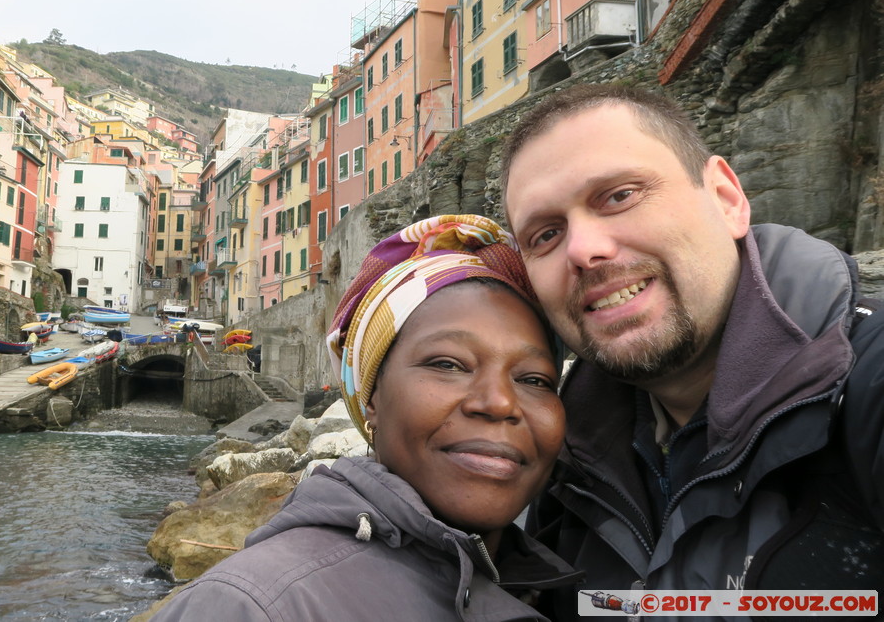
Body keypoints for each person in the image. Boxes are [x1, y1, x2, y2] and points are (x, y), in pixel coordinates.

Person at [501, 84, 884, 615]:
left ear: (727, 200)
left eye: (619, 195)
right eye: (545, 235)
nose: (584, 250)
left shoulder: (868, 387)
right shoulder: (563, 468)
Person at [152, 215, 581, 621]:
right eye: (448, 364)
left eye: (535, 379)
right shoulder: (248, 607)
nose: (500, 402)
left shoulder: (569, 582)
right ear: (371, 396)